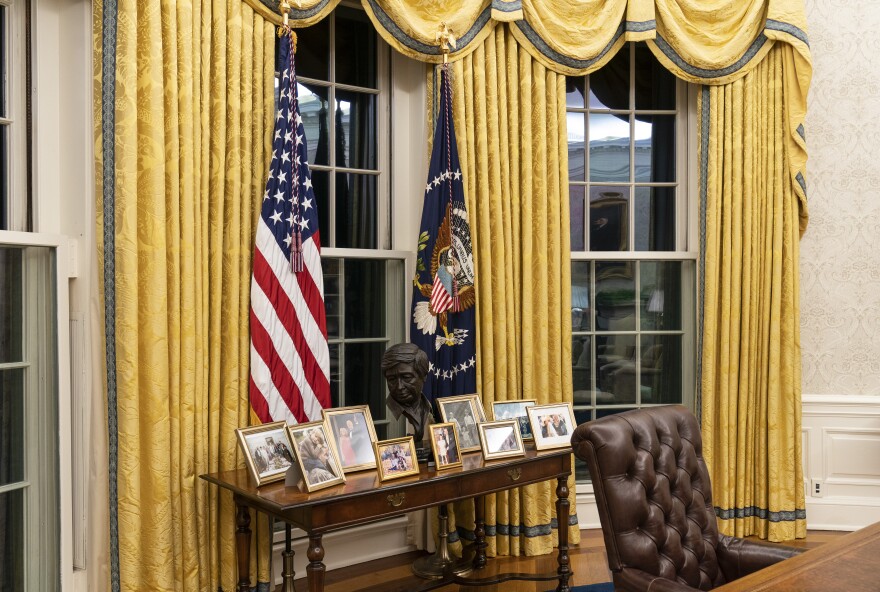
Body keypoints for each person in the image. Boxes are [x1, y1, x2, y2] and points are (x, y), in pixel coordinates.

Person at [382, 343, 435, 443]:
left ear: (423, 376)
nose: (399, 387)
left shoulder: (428, 407)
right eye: (392, 379)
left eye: (406, 377)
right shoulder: (383, 412)